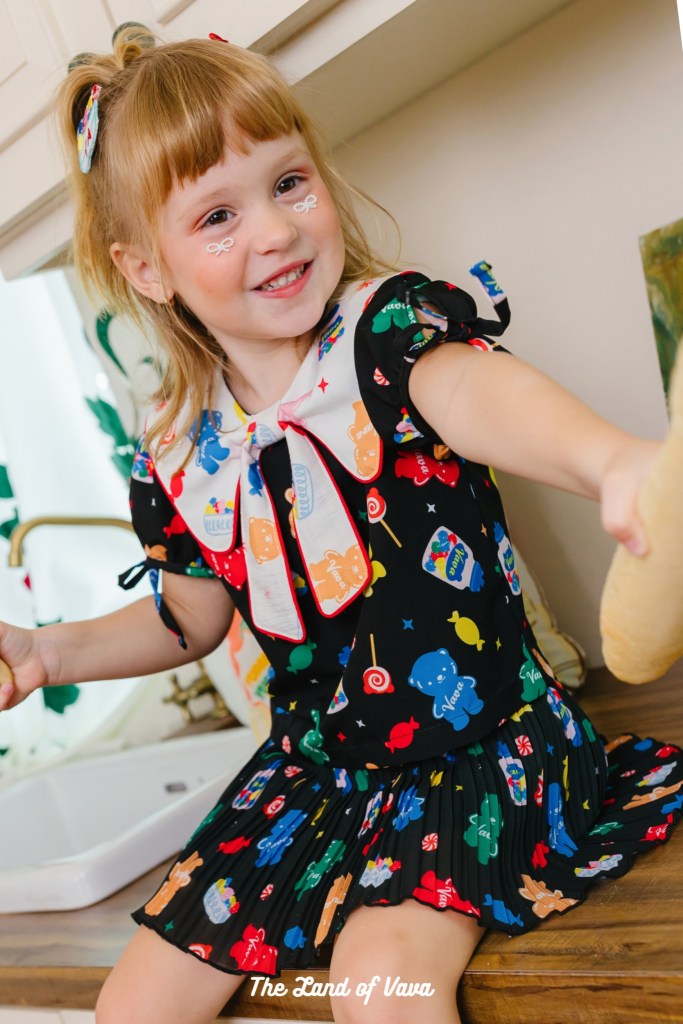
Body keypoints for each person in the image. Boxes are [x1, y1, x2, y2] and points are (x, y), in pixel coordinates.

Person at [0, 25, 681, 1024]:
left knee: (379, 986)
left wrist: (611, 461)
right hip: (316, 776)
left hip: (478, 743)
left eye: (288, 183)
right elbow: (188, 619)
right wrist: (48, 653)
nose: (274, 230)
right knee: (130, 1007)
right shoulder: (179, 448)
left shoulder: (383, 333)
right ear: (146, 270)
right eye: (218, 216)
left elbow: (477, 395)